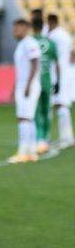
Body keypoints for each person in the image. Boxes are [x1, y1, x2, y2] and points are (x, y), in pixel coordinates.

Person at [8, 19, 42, 164]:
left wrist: (28, 85)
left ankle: (22, 152)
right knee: (29, 118)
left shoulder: (30, 43)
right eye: (14, 29)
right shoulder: (22, 44)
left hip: (28, 86)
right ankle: (32, 152)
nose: (14, 31)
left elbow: (35, 63)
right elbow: (21, 69)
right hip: (23, 85)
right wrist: (15, 87)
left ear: (25, 28)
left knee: (23, 118)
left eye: (17, 29)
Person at [31, 16, 59, 154]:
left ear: (32, 27)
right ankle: (46, 137)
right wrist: (58, 81)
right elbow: (57, 64)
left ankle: (39, 138)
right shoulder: (51, 43)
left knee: (36, 110)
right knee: (47, 109)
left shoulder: (29, 42)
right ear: (43, 27)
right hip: (48, 80)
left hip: (35, 81)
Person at [47, 13, 73, 149]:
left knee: (61, 104)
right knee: (62, 104)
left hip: (58, 73)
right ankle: (67, 137)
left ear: (51, 23)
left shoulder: (53, 36)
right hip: (67, 72)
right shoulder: (65, 34)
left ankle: (66, 138)